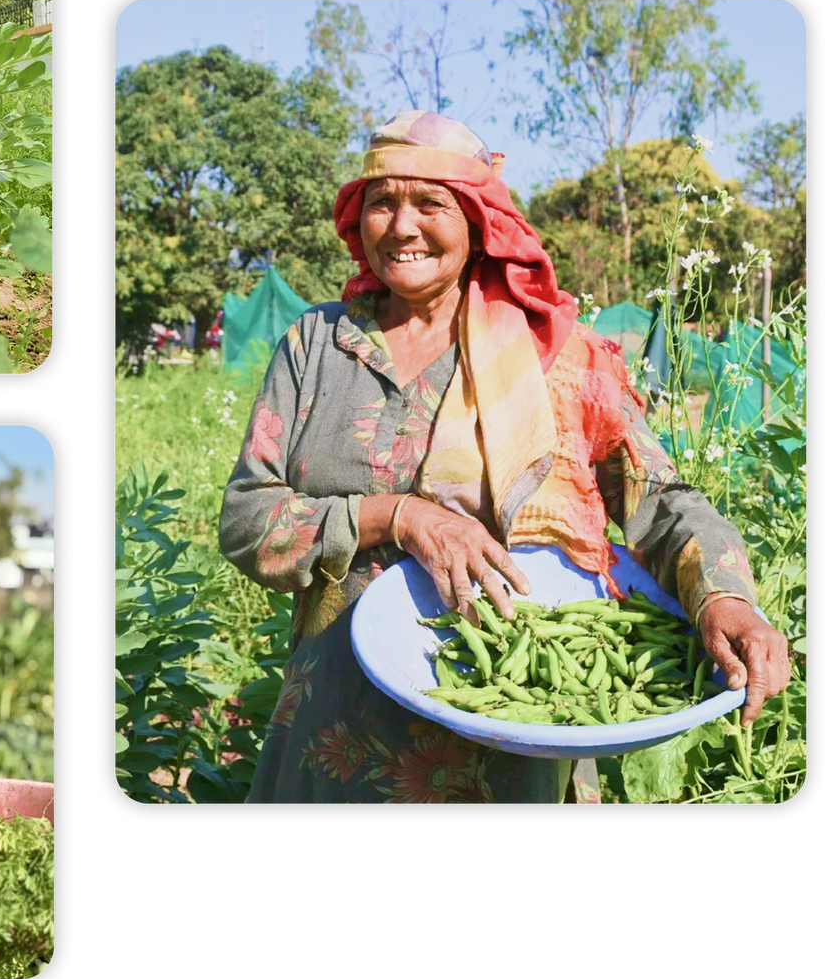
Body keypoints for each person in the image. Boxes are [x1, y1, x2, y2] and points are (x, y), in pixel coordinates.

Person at [219, 111, 790, 805]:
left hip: (504, 739)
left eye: (430, 203)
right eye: (381, 203)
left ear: (479, 219)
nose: (401, 227)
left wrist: (725, 596)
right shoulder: (317, 345)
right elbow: (249, 519)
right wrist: (397, 517)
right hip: (331, 726)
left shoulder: (555, 357)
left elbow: (661, 501)